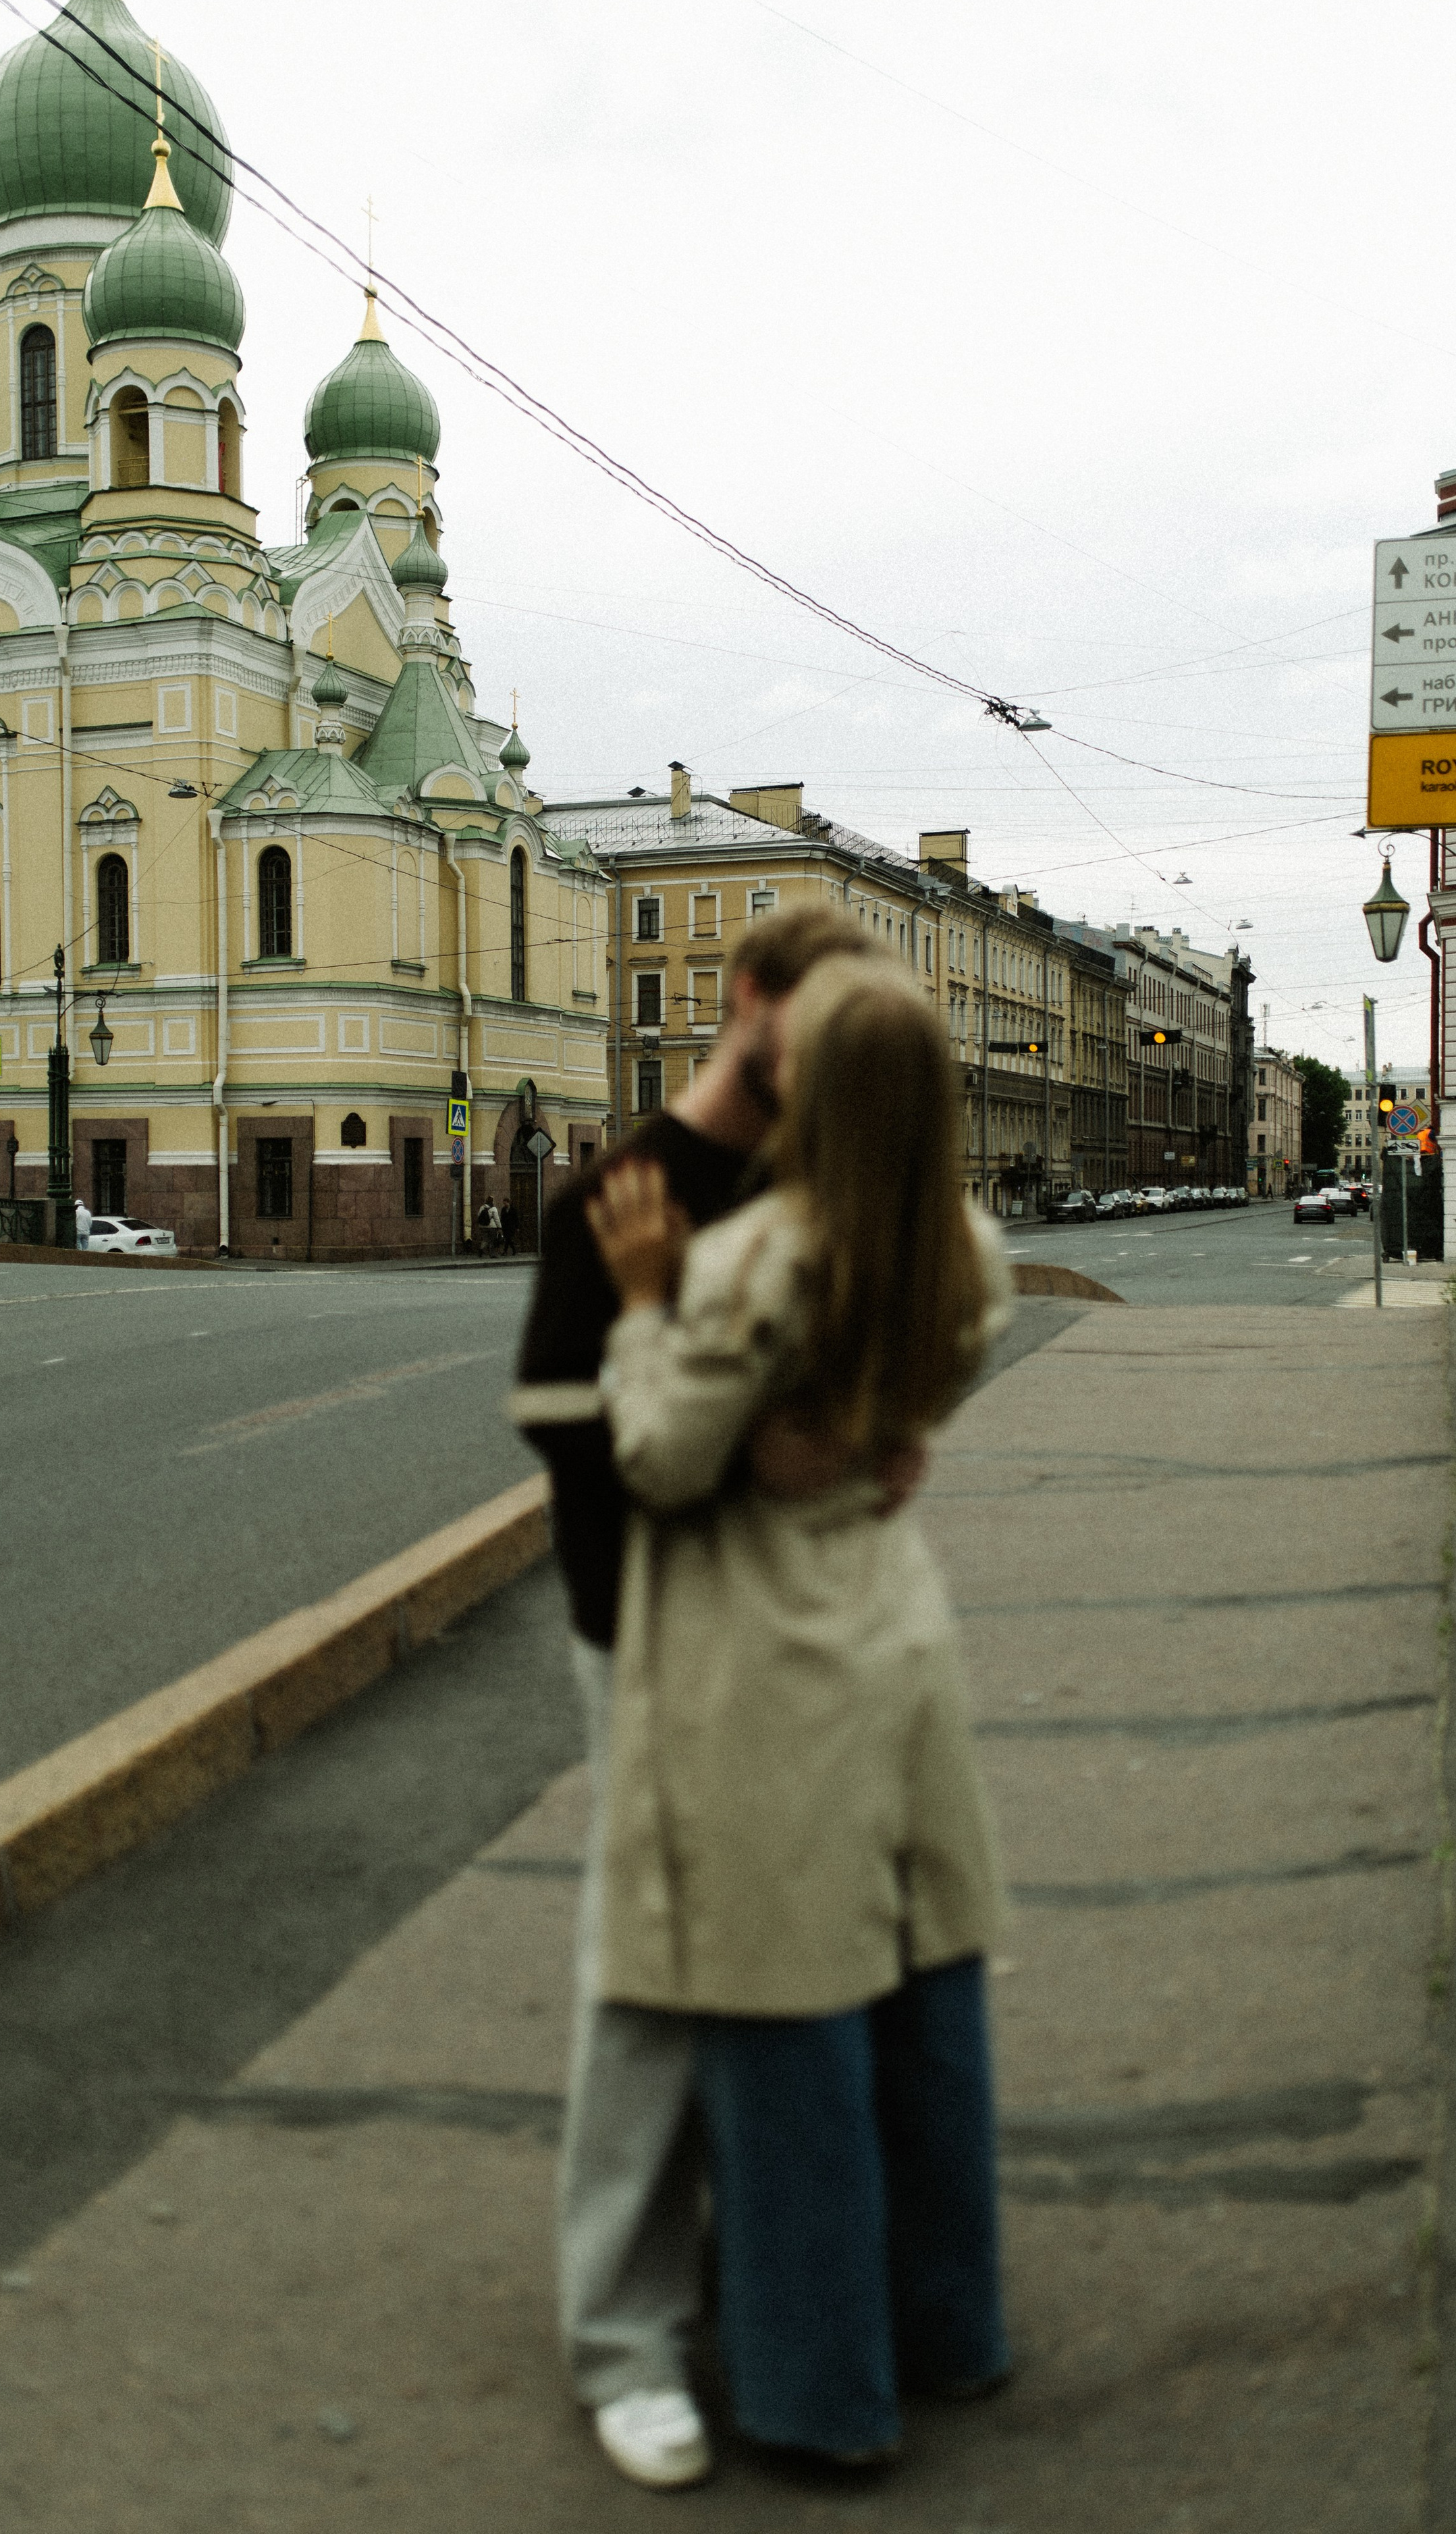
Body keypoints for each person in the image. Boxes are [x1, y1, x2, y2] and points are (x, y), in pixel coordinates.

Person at [585, 953, 1012, 2466]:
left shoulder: (757, 1260)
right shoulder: (960, 1248)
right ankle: (950, 2329)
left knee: (791, 2032)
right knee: (924, 2006)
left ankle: (822, 2396)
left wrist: (642, 1303)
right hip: (899, 1638)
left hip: (767, 1666)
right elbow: (913, 1408)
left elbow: (654, 1456)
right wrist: (878, 1435)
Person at [510, 903, 907, 2491]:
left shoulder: (823, 1181)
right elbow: (562, 1426)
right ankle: (621, 2335)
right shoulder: (616, 1197)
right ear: (747, 1001)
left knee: (795, 1961)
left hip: (804, 1629)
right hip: (651, 1632)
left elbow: (874, 1418)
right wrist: (748, 1432)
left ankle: (758, 2278)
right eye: (803, 1024)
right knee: (652, 1978)